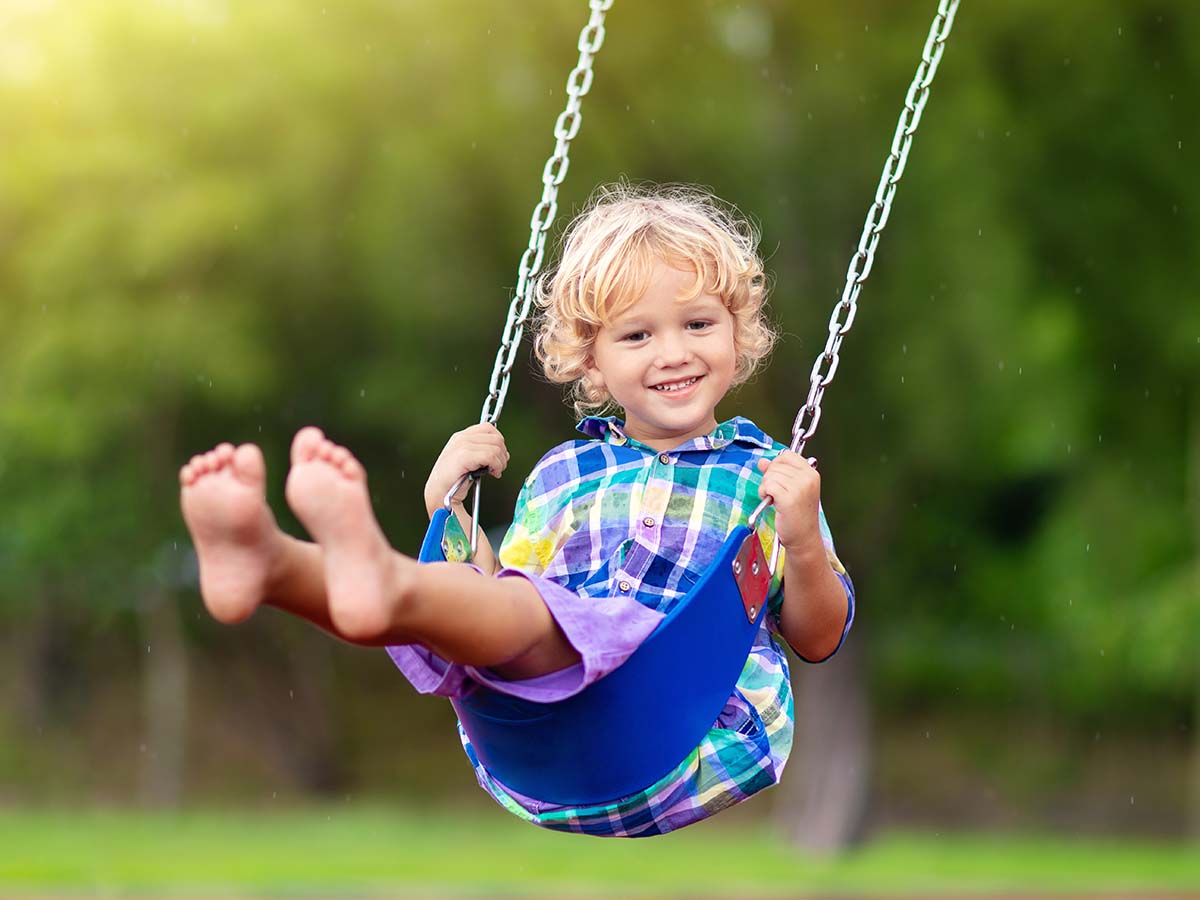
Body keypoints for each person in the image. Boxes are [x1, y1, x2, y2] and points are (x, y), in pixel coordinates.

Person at [180, 183, 854, 837]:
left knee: (531, 616)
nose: (673, 352)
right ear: (592, 363)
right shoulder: (564, 474)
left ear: (739, 335)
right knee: (503, 604)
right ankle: (275, 566)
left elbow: (819, 636)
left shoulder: (769, 479)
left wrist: (799, 541)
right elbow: (506, 602)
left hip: (694, 726)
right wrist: (446, 511)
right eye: (637, 336)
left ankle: (370, 580)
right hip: (546, 733)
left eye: (699, 324)